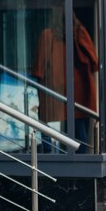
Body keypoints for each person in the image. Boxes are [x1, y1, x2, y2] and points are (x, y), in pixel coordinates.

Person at [31, 10, 99, 153]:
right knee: (78, 125)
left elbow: (39, 67)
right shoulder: (78, 33)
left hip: (55, 88)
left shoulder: (49, 35)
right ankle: (81, 160)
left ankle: (49, 152)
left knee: (46, 119)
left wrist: (39, 80)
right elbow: (93, 61)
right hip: (76, 90)